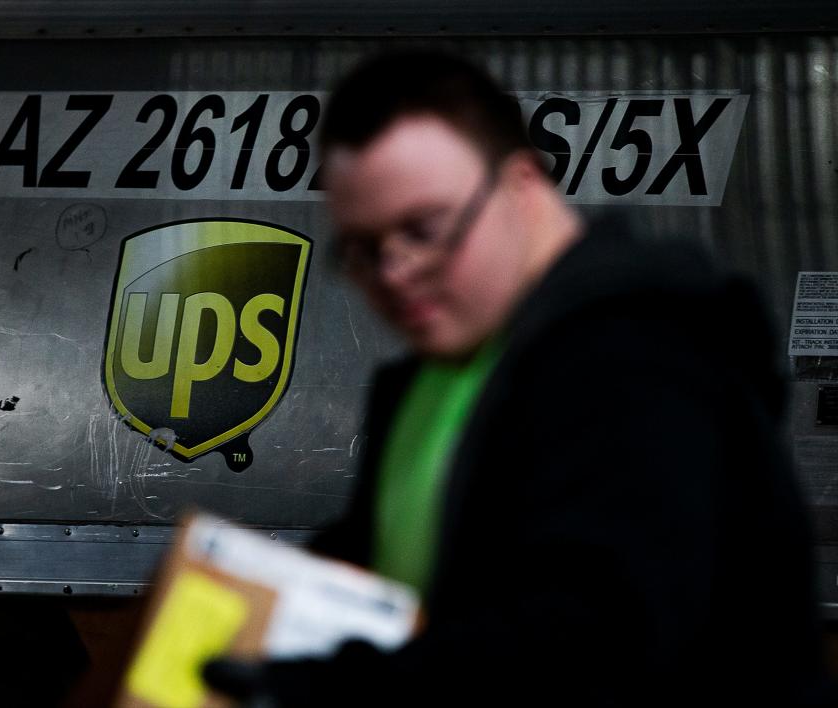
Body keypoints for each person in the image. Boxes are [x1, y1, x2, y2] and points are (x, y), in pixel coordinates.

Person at [204, 50, 833, 706]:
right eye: (362, 249)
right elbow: (393, 566)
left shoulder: (639, 358)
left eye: (424, 229)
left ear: (522, 184)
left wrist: (324, 690)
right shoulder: (428, 381)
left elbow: (593, 639)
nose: (394, 272)